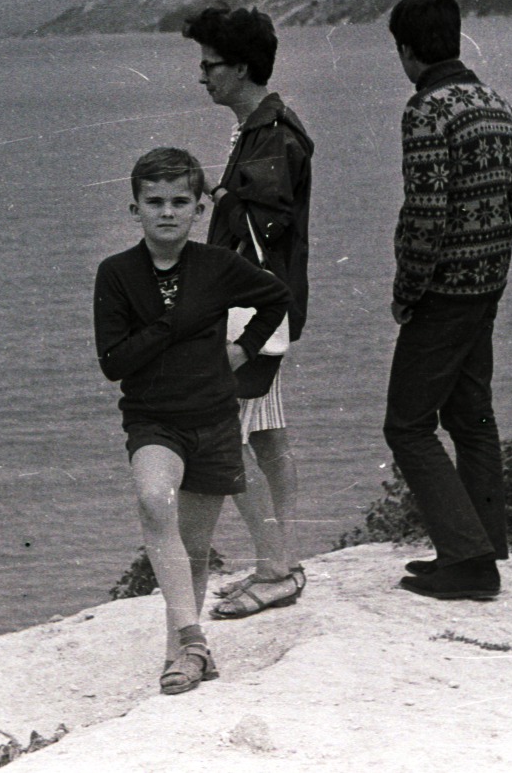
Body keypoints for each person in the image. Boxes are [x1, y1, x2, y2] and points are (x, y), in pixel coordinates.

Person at [93, 147, 291, 694]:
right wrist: (169, 325)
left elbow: (278, 298)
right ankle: (194, 638)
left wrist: (242, 351)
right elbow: (114, 363)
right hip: (155, 422)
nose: (167, 212)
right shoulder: (115, 274)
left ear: (200, 209)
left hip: (214, 420)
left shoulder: (218, 266)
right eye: (153, 202)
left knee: (195, 548)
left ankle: (179, 657)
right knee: (155, 499)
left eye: (181, 201)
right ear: (134, 209)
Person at [382, 0, 512, 600]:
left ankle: (468, 558)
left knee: (406, 425)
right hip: (487, 282)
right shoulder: (490, 101)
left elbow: (427, 213)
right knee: (471, 417)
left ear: (406, 51)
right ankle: (482, 549)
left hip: (445, 291)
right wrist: (497, 223)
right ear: (455, 39)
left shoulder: (426, 110)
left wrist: (406, 291)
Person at [181, 5, 315, 620]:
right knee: (267, 433)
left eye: (209, 66)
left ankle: (273, 569)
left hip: (250, 315)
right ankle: (280, 560)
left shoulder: (269, 135)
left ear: (239, 68)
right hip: (266, 311)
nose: (202, 77)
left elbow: (260, 237)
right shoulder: (265, 127)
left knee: (227, 442)